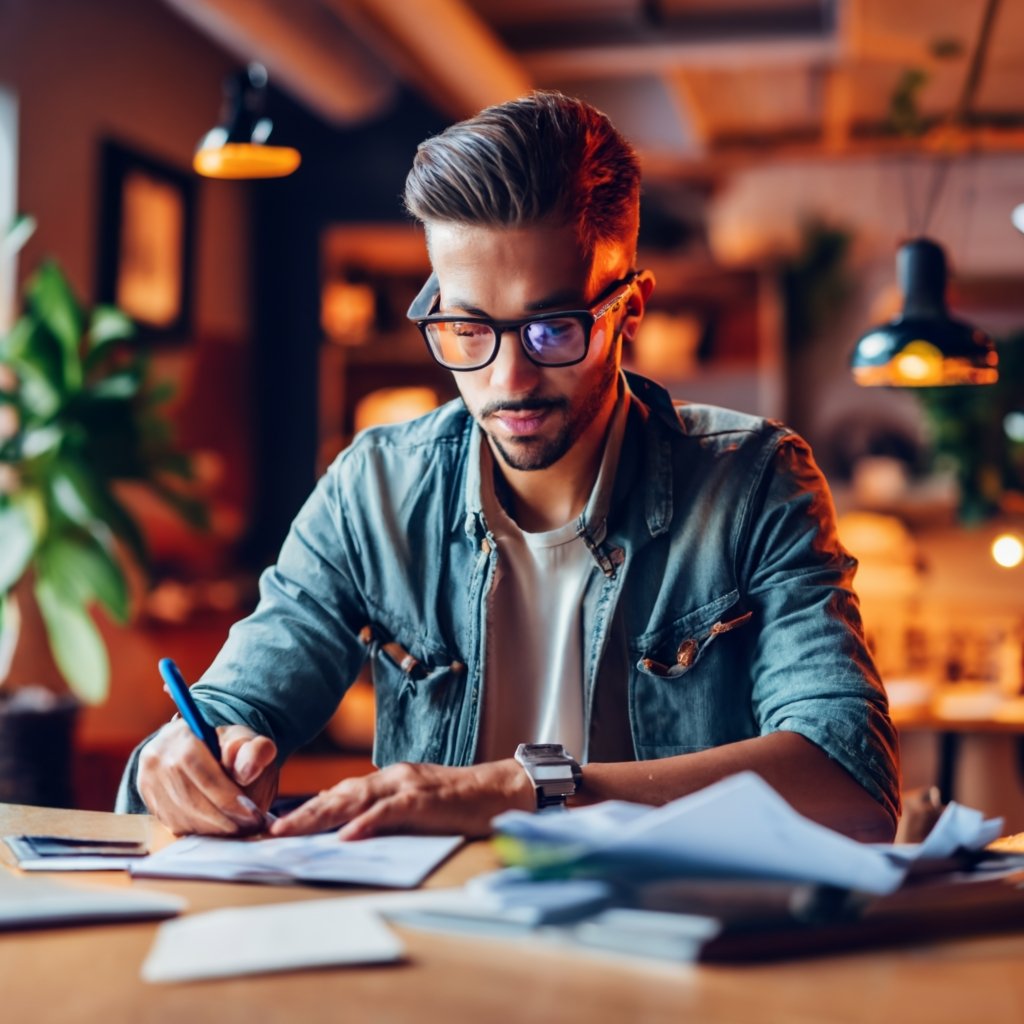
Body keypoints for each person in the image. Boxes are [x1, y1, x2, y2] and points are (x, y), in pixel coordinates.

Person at [119, 92, 899, 842]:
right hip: (437, 957)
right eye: (466, 328)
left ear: (629, 308)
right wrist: (184, 762)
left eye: (551, 329)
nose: (508, 381)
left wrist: (516, 791)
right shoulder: (373, 491)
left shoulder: (756, 483)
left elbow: (850, 784)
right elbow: (228, 709)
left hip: (675, 953)